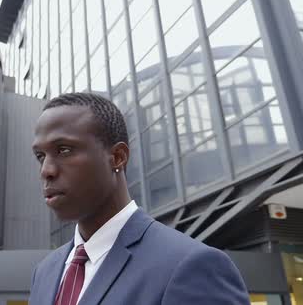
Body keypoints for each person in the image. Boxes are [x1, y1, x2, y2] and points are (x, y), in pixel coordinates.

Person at [29, 92, 249, 305]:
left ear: (117, 157)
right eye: (40, 156)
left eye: (64, 150)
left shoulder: (192, 266)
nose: (46, 171)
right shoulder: (45, 272)